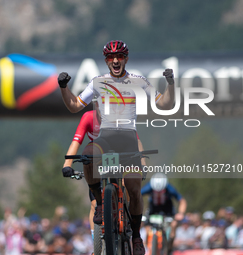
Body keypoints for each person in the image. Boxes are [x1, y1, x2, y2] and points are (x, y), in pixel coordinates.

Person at [58, 40, 175, 255]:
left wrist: (170, 85)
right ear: (106, 61)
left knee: (134, 190)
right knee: (87, 155)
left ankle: (137, 236)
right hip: (106, 139)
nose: (115, 60)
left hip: (129, 139)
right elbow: (74, 105)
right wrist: (63, 87)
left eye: (119, 56)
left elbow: (164, 104)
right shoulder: (97, 82)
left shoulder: (138, 80)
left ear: (126, 59)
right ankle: (101, 204)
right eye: (111, 58)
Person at [62, 109, 147, 242]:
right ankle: (96, 241)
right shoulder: (88, 117)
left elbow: (136, 140)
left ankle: (130, 222)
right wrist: (67, 165)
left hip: (120, 155)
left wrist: (143, 163)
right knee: (94, 203)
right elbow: (76, 141)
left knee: (129, 184)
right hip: (99, 156)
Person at [141, 173, 187, 244]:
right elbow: (136, 197)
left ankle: (170, 243)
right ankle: (148, 245)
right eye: (156, 191)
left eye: (161, 191)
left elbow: (182, 201)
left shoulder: (170, 188)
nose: (159, 193)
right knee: (147, 226)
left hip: (167, 208)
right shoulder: (148, 187)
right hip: (153, 208)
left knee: (174, 224)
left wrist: (180, 213)